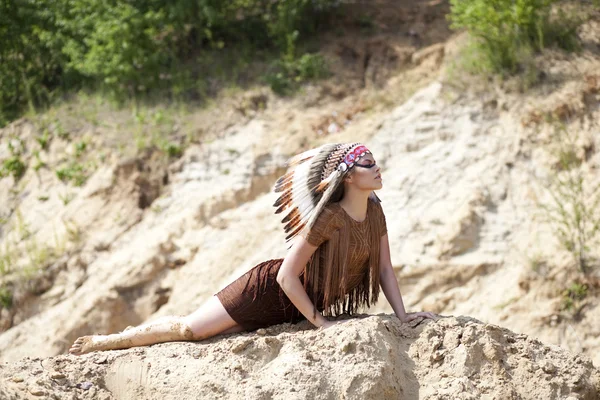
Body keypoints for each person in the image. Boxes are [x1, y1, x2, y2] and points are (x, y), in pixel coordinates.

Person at [69, 143, 436, 355]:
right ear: (348, 176)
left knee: (217, 335)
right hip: (266, 291)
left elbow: (385, 269)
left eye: (376, 162)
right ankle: (109, 342)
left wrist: (402, 315)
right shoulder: (329, 218)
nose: (377, 168)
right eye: (367, 163)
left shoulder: (374, 212)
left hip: (296, 309)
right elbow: (285, 275)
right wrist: (321, 322)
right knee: (191, 331)